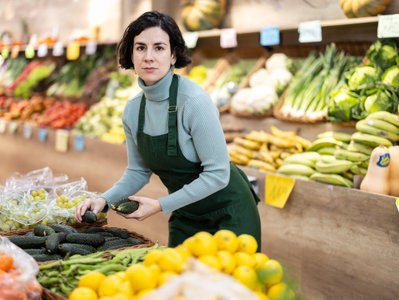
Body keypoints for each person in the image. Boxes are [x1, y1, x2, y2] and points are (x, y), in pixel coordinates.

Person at [75, 10, 261, 249]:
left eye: (159, 48)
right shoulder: (133, 110)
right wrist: (104, 200)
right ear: (131, 55)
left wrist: (161, 204)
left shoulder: (194, 102)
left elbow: (217, 174)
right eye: (140, 48)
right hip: (185, 214)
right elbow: (137, 172)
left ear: (173, 55)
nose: (149, 57)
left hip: (228, 213)